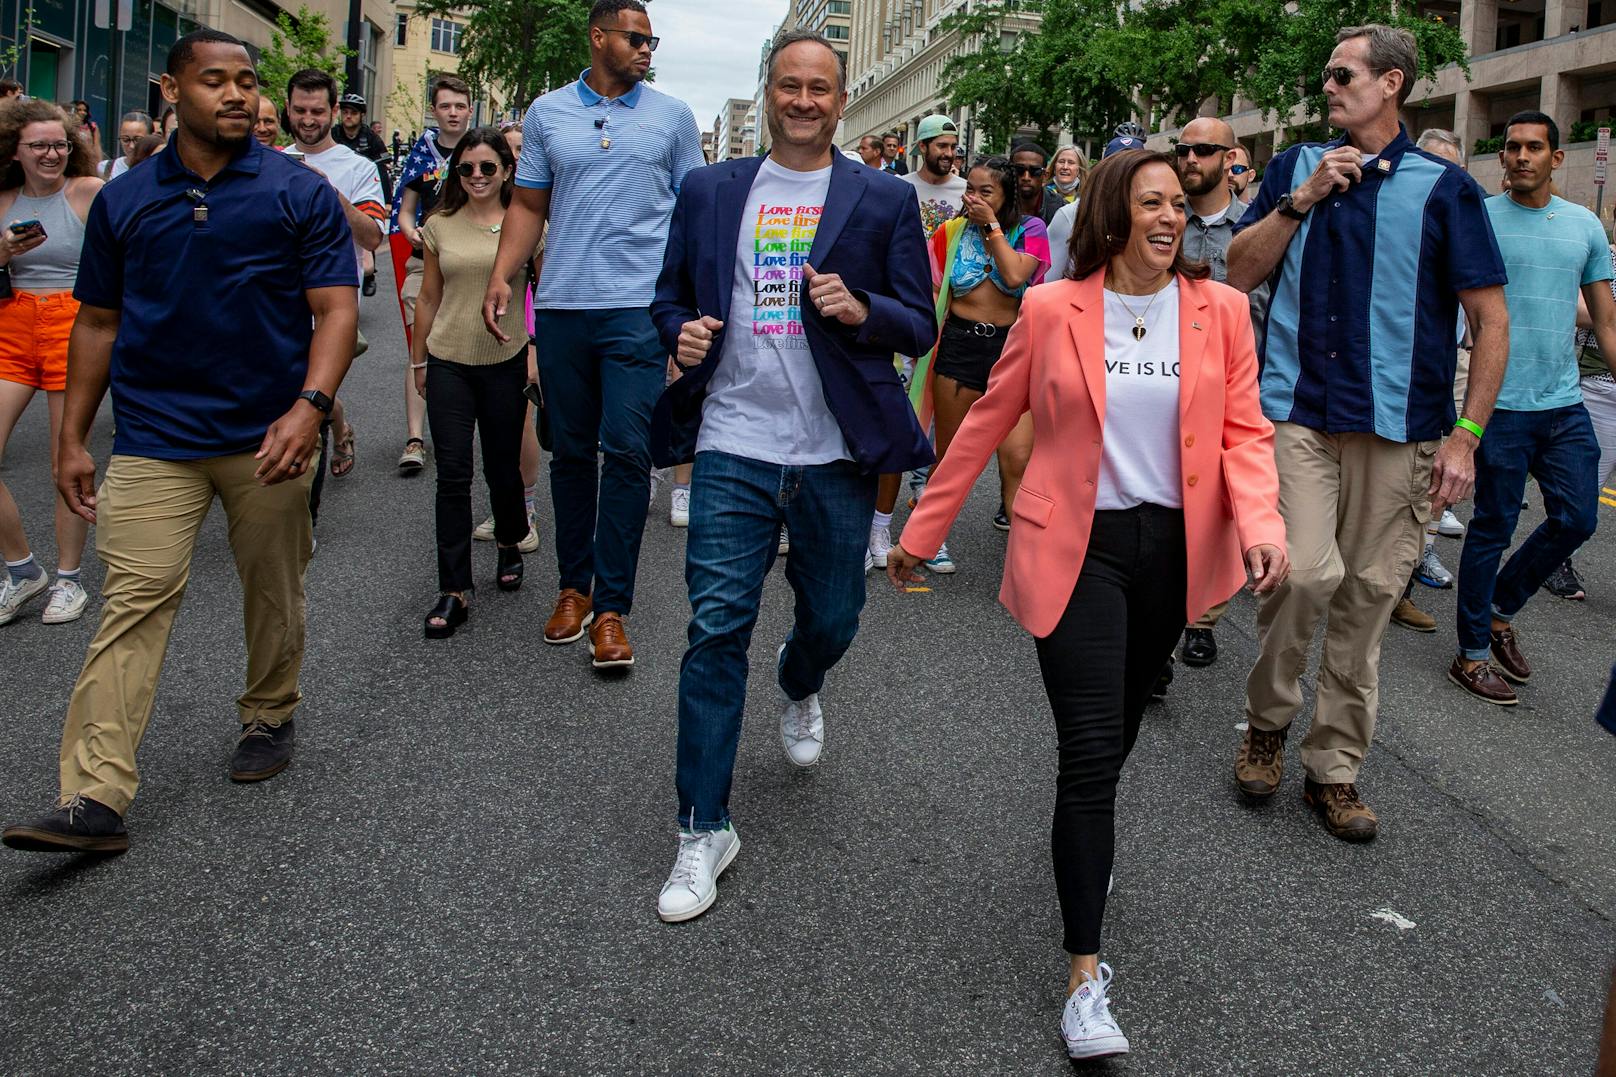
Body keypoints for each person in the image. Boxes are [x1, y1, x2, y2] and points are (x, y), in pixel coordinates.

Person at [890, 149, 1287, 1062]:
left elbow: (1245, 431)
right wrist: (921, 531)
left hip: (1173, 554)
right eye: (1151, 202)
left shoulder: (1219, 311)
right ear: (1112, 213)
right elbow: (988, 420)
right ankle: (1084, 977)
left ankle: (1083, 842)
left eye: (1178, 204)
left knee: (1114, 739)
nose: (1170, 217)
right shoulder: (1051, 307)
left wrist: (1261, 524)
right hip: (1078, 550)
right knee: (1093, 749)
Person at [0, 29, 357, 854]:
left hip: (268, 435)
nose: (237, 95)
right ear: (171, 89)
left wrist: (310, 407)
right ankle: (93, 794)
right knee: (135, 596)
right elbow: (97, 321)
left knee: (273, 589)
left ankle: (269, 710)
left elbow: (336, 307)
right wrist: (74, 440)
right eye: (215, 81)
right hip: (156, 437)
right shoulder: (125, 198)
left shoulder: (295, 191)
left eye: (247, 82)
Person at [648, 29, 934, 923]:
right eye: (789, 86)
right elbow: (668, 296)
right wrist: (679, 335)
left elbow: (917, 324)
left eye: (820, 87)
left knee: (835, 617)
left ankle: (801, 677)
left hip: (835, 454)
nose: (804, 100)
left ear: (841, 99)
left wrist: (862, 308)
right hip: (733, 442)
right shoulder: (710, 189)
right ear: (766, 93)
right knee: (713, 629)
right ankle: (703, 827)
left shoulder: (883, 199)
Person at [1224, 24, 1509, 841]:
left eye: (1342, 73)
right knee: (1303, 575)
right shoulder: (1291, 168)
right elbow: (1237, 273)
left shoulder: (1443, 189)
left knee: (1368, 599)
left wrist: (1465, 436)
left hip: (1404, 431)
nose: (1327, 86)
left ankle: (1334, 768)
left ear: (1392, 84)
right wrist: (1300, 198)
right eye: (1326, 75)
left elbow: (1491, 320)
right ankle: (1267, 722)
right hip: (1299, 413)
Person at [482, 0, 704, 671]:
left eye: (651, 39)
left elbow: (695, 212)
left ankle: (613, 608)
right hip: (564, 308)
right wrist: (502, 273)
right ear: (598, 36)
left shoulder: (672, 118)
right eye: (635, 38)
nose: (646, 49)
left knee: (630, 453)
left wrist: (687, 310)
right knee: (572, 452)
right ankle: (572, 589)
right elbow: (528, 204)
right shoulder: (549, 113)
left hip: (638, 309)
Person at [1448, 112, 1616, 706]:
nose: (1520, 156)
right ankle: (1470, 653)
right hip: (1499, 406)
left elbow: (1606, 320)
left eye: (1533, 147)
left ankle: (1498, 607)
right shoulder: (1480, 219)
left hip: (1565, 403)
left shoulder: (1584, 225)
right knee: (1493, 526)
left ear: (1556, 157)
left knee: (1578, 519)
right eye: (1512, 147)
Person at [410, 128, 538, 637]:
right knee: (453, 474)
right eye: (467, 168)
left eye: (488, 167)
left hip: (506, 358)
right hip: (449, 361)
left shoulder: (526, 223)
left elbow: (541, 293)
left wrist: (534, 349)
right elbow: (427, 297)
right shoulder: (439, 224)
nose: (478, 176)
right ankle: (455, 588)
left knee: (503, 468)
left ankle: (510, 538)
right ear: (455, 173)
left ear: (507, 169)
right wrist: (419, 362)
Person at [907, 155, 1049, 575]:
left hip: (1013, 350)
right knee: (950, 454)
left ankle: (1026, 557)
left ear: (1005, 196)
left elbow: (1014, 272)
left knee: (1018, 457)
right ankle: (928, 536)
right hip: (960, 346)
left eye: (985, 191)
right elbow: (933, 290)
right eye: (970, 189)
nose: (973, 198)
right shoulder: (949, 232)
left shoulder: (1031, 231)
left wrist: (991, 226)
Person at [0, 100, 104, 626]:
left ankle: (69, 579)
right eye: (39, 145)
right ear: (15, 151)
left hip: (75, 321)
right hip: (12, 323)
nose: (51, 153)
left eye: (60, 144)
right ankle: (22, 571)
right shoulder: (2, 200)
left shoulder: (87, 192)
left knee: (67, 459)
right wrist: (3, 252)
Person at [861, 114, 967, 570]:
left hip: (951, 318)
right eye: (940, 146)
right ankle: (876, 526)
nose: (948, 154)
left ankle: (926, 526)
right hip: (903, 313)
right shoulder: (898, 189)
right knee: (895, 413)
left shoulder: (966, 193)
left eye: (953, 147)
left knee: (940, 422)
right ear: (921, 147)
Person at [1172, 116, 1258, 668]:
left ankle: (1202, 618)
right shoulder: (1160, 221)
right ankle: (1159, 623)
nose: (1189, 159)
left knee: (1220, 505)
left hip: (1237, 386)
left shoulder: (1257, 228)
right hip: (1167, 380)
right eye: (1182, 149)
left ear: (1230, 161)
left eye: (1203, 150)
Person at [285, 69, 386, 483]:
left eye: (317, 111)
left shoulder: (357, 167)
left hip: (331, 304)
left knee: (305, 396)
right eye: (300, 110)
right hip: (274, 299)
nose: (308, 120)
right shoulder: (271, 160)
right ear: (287, 107)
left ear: (334, 112)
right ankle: (337, 419)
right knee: (296, 394)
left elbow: (374, 236)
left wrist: (329, 194)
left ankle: (303, 515)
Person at [1391, 127, 1472, 633]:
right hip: (1407, 372)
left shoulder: (1466, 214)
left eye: (1453, 167)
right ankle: (1388, 580)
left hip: (1457, 363)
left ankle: (1410, 573)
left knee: (1438, 483)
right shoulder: (1401, 218)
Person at [391, 75, 473, 474]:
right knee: (419, 346)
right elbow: (406, 210)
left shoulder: (480, 152)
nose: (453, 113)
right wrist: (412, 234)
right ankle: (414, 438)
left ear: (469, 110)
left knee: (462, 349)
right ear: (434, 110)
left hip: (469, 265)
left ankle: (455, 430)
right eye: (445, 106)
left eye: (459, 106)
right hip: (424, 264)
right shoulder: (421, 155)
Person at [1551, 242, 1616, 601]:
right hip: (1602, 387)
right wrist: (1607, 313)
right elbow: (1576, 310)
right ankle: (1558, 560)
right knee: (1586, 484)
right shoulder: (1604, 259)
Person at [333, 92, 390, 292]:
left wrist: (387, 201)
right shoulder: (334, 134)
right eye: (345, 112)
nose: (348, 116)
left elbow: (383, 168)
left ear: (361, 116)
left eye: (353, 113)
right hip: (338, 190)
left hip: (364, 190)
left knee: (367, 225)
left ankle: (369, 273)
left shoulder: (371, 138)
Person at [1009, 141, 1065, 224]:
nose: (1026, 177)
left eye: (1034, 171)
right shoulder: (997, 201)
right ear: (1009, 172)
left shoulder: (1060, 208)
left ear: (1045, 176)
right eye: (1019, 170)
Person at [102, 110, 154, 179]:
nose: (131, 146)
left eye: (138, 140)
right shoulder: (105, 168)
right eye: (125, 140)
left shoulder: (158, 170)